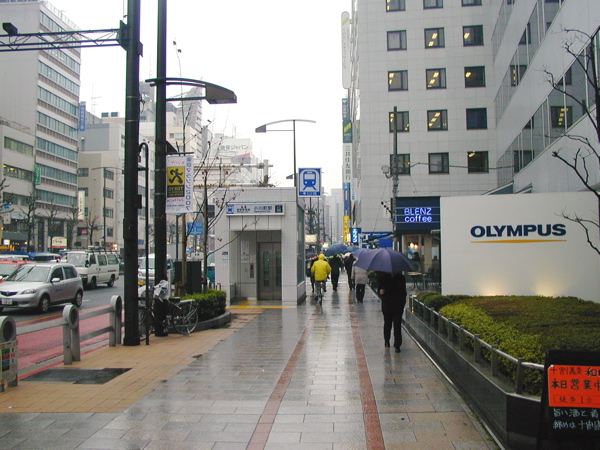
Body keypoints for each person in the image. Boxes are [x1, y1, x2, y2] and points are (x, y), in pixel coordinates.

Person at [377, 271, 407, 352]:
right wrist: (381, 292)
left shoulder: (401, 278)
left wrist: (402, 303)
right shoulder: (383, 278)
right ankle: (387, 340)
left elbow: (404, 292)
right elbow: (379, 291)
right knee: (387, 324)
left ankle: (397, 344)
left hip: (398, 305)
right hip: (387, 305)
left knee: (397, 325)